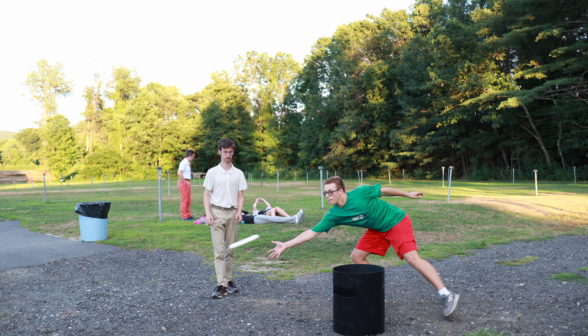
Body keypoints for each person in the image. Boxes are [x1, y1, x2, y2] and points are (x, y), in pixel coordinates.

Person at [268, 176, 460, 317]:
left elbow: (384, 190)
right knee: (356, 257)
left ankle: (446, 294)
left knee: (412, 258)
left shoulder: (360, 192)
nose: (328, 196)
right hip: (377, 229)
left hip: (395, 221)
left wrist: (408, 195)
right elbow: (311, 232)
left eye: (331, 192)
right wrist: (286, 244)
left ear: (341, 191)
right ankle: (376, 291)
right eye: (325, 192)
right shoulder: (334, 215)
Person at [203, 138, 247, 299]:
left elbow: (241, 195)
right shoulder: (212, 172)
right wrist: (208, 213)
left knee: (230, 250)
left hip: (232, 213)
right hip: (217, 213)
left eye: (230, 152)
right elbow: (207, 194)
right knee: (219, 251)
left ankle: (228, 281)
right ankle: (221, 284)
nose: (228, 155)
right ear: (219, 152)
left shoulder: (238, 173)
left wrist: (239, 211)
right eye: (225, 152)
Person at [177, 150, 195, 221]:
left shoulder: (187, 163)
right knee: (184, 200)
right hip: (184, 181)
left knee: (188, 200)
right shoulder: (184, 162)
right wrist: (184, 182)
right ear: (190, 156)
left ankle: (188, 215)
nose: (193, 158)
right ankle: (184, 217)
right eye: (193, 156)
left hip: (187, 181)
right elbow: (179, 172)